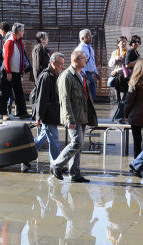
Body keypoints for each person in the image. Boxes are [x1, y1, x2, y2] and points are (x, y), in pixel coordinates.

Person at [50, 50, 97, 183]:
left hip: (82, 114)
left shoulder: (81, 74)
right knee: (77, 142)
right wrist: (69, 118)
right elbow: (64, 99)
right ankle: (56, 164)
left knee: (79, 145)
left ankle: (74, 173)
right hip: (73, 116)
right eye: (83, 58)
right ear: (75, 60)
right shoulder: (67, 76)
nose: (86, 61)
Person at [23, 52, 65, 173]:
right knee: (54, 139)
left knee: (43, 137)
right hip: (47, 114)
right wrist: (39, 117)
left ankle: (25, 156)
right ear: (53, 63)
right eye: (60, 64)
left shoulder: (54, 74)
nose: (62, 66)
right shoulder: (46, 77)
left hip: (51, 113)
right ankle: (56, 165)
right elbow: (41, 98)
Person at [124, 59, 143, 174]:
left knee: (137, 142)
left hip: (136, 116)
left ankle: (137, 166)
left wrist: (125, 113)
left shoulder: (135, 81)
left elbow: (129, 100)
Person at [0, 23, 32, 121]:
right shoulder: (10, 42)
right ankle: (3, 113)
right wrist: (8, 72)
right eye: (22, 30)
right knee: (5, 92)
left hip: (16, 72)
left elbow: (21, 57)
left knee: (19, 92)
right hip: (9, 72)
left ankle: (22, 112)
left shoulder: (19, 41)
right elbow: (7, 59)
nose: (23, 32)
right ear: (18, 31)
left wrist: (22, 69)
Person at [75, 29, 100, 101]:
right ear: (83, 38)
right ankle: (86, 108)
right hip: (85, 74)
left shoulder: (89, 47)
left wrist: (96, 72)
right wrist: (83, 75)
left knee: (91, 94)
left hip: (90, 73)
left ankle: (88, 108)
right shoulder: (80, 48)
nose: (91, 37)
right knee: (89, 94)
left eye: (91, 36)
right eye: (88, 36)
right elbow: (79, 64)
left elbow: (92, 60)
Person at [108, 36, 128, 123]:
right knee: (118, 98)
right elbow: (110, 64)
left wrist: (117, 70)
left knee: (125, 97)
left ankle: (120, 117)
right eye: (121, 42)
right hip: (117, 78)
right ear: (118, 44)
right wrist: (116, 58)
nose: (123, 44)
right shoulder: (115, 53)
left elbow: (128, 67)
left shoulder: (128, 52)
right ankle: (119, 117)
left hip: (125, 77)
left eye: (125, 42)